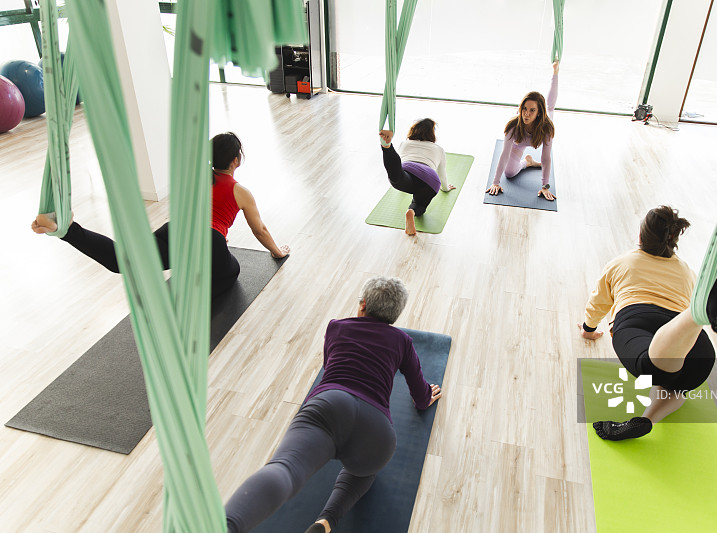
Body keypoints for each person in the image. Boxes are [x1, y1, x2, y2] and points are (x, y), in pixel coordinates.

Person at [224, 276, 442, 533]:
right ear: (395, 316)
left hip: (330, 405)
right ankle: (326, 522)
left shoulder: (337, 327)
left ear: (362, 305)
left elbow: (329, 366)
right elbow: (419, 395)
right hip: (377, 430)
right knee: (361, 474)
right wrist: (426, 396)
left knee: (285, 469)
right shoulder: (402, 341)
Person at [31, 132, 289, 298]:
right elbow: (260, 230)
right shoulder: (240, 191)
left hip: (177, 229)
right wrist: (278, 252)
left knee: (124, 261)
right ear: (236, 161)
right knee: (230, 273)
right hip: (207, 240)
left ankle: (66, 229)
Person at [579, 206, 717, 441]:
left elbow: (599, 302)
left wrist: (588, 328)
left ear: (640, 236)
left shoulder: (622, 263)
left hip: (638, 321)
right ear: (673, 239)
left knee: (653, 367)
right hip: (696, 353)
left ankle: (701, 312)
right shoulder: (686, 271)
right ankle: (645, 421)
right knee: (679, 384)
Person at [486, 61, 559, 201]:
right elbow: (504, 155)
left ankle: (555, 72)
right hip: (519, 143)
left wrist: (545, 186)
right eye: (524, 109)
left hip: (540, 127)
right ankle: (528, 162)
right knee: (509, 173)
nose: (526, 114)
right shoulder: (512, 127)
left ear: (538, 113)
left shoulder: (547, 128)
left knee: (550, 107)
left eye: (532, 110)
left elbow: (546, 158)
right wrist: (495, 182)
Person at [378, 118, 455, 236]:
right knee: (420, 204)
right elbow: (442, 174)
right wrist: (445, 188)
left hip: (406, 173)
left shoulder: (405, 143)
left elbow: (398, 164)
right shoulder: (439, 149)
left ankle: (387, 147)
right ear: (432, 133)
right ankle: (412, 211)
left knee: (397, 175)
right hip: (430, 180)